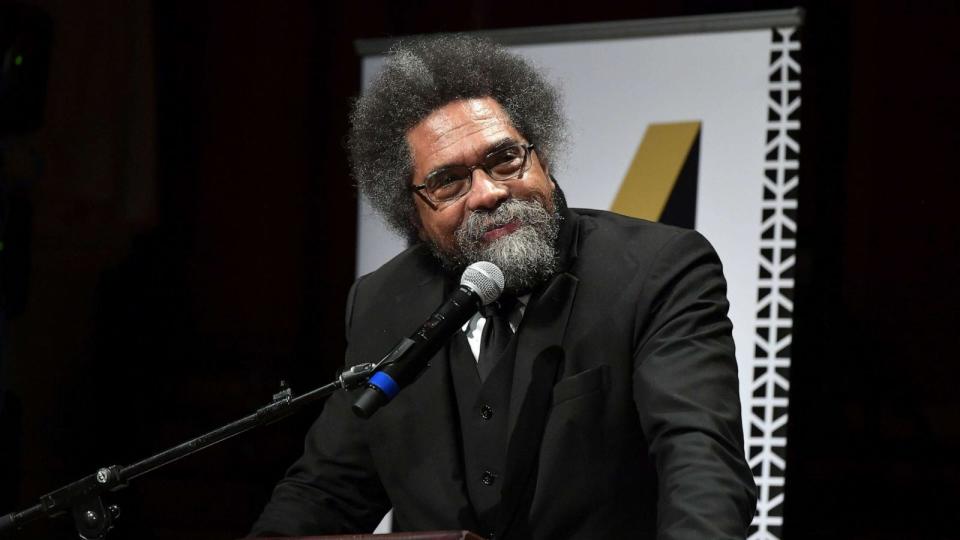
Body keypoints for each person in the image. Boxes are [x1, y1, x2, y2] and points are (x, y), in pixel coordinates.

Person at [251, 35, 757, 539]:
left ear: (543, 158)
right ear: (412, 212)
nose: (489, 192)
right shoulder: (383, 302)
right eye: (448, 181)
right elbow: (327, 492)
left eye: (504, 159)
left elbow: (702, 465)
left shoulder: (655, 269)